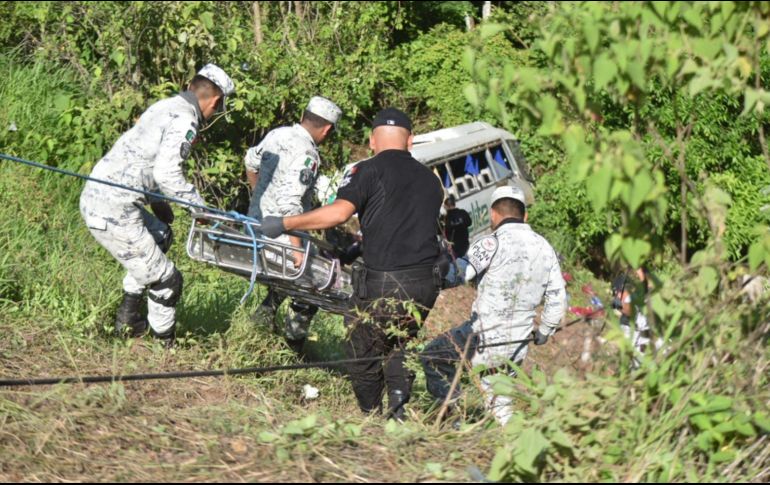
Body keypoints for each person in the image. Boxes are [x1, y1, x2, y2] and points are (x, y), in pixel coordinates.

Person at [260, 108, 444, 420]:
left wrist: (286, 223)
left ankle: (370, 418)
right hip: (427, 283)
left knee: (361, 352)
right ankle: (398, 417)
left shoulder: (367, 170)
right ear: (410, 141)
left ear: (372, 141)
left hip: (386, 280)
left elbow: (339, 213)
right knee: (397, 341)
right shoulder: (432, 181)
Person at [80, 64, 235, 347]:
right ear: (215, 101)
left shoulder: (163, 106)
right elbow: (167, 174)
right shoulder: (186, 120)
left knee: (161, 235)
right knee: (168, 280)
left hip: (99, 196)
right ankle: (163, 344)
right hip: (115, 209)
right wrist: (202, 211)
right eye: (220, 106)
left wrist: (159, 203)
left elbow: (144, 160)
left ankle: (128, 319)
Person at [421, 185, 567, 425]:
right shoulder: (545, 248)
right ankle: (472, 427)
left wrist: (434, 269)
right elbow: (557, 296)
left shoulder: (491, 243)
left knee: (434, 356)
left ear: (493, 214)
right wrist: (544, 331)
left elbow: (457, 275)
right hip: (519, 341)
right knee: (499, 400)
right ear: (525, 215)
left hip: (483, 337)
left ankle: (455, 420)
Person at [244, 96, 342, 354]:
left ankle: (265, 315)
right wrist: (297, 249)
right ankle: (293, 347)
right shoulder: (307, 154)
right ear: (328, 129)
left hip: (256, 224)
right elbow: (290, 205)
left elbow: (250, 162)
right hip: (281, 235)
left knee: (292, 277)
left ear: (304, 115)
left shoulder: (278, 134)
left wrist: (259, 200)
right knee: (314, 284)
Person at [442, 194, 472, 287]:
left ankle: (454, 282)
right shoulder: (463, 213)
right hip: (464, 244)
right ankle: (465, 281)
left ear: (446, 206)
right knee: (463, 262)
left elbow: (441, 231)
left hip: (452, 246)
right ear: (455, 204)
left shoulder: (445, 218)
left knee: (452, 264)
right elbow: (469, 223)